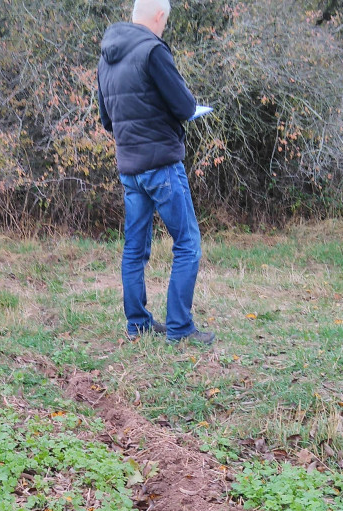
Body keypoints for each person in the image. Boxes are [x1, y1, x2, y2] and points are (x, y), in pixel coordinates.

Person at [97, 0, 212, 345]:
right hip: (161, 165)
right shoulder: (152, 51)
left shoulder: (107, 57)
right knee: (188, 243)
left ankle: (137, 325)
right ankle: (179, 328)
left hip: (130, 169)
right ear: (159, 16)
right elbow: (185, 106)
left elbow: (107, 120)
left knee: (134, 249)